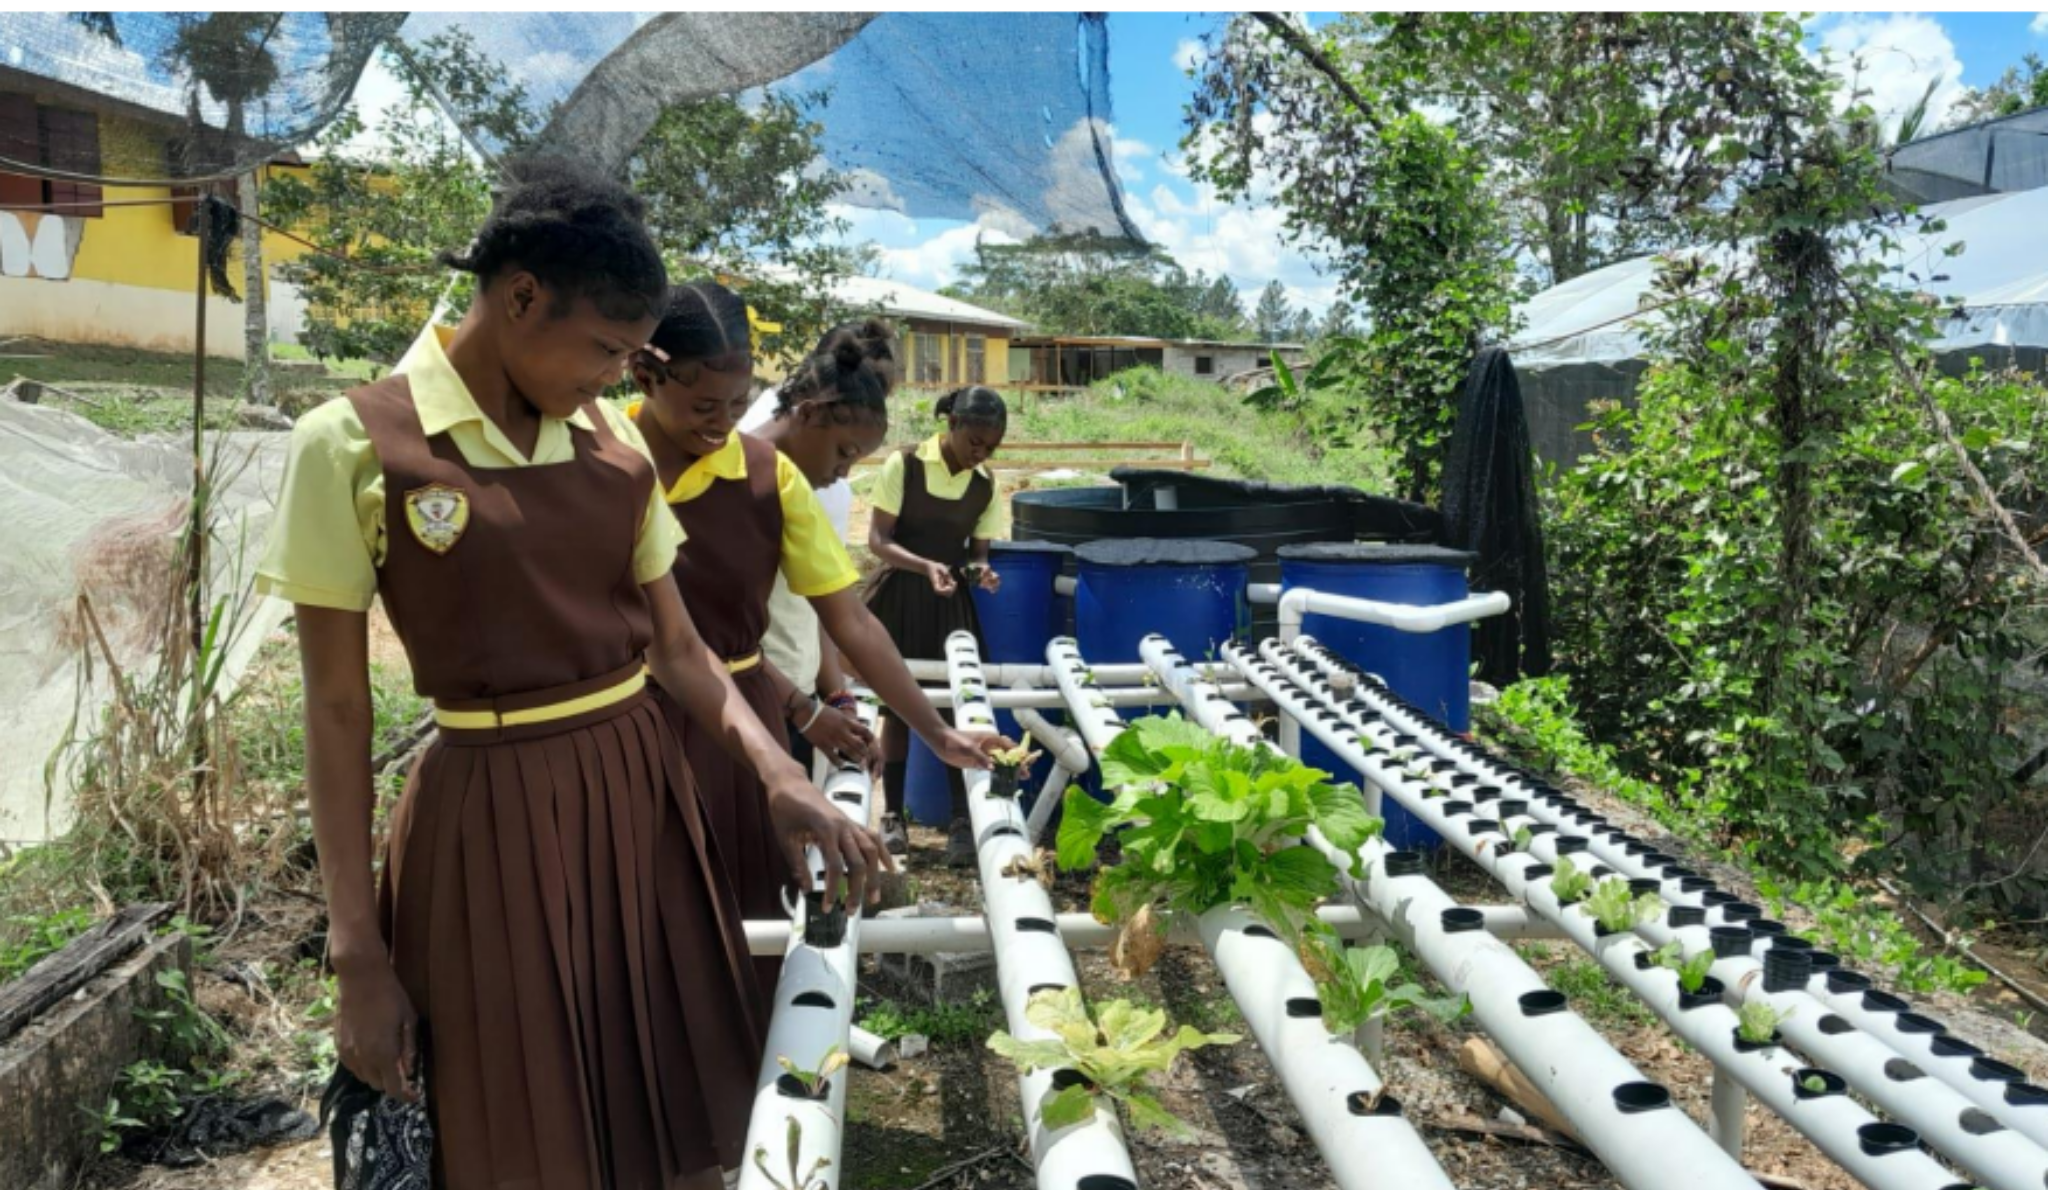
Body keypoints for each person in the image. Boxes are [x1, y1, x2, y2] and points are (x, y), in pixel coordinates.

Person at [257, 161, 885, 1190]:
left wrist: (777, 769)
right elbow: (335, 709)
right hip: (487, 813)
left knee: (659, 1094)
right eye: (602, 349)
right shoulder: (354, 443)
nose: (612, 379)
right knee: (514, 1110)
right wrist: (356, 950)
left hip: (638, 793)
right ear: (518, 299)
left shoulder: (611, 451)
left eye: (630, 356)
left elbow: (677, 649)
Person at [629, 284, 1007, 985]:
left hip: (739, 726)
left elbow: (848, 619)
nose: (721, 423)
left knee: (734, 918)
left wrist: (937, 733)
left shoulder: (774, 482)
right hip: (631, 723)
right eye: (707, 406)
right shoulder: (611, 458)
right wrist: (806, 707)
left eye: (736, 408)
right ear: (643, 376)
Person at [738, 320, 894, 782]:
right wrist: (804, 709)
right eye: (845, 453)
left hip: (796, 692)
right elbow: (719, 640)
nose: (845, 472)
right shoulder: (751, 478)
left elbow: (823, 599)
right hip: (753, 702)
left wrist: (835, 695)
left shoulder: (807, 476)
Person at [866, 385, 1010, 866]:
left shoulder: (986, 485)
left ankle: (961, 824)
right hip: (901, 595)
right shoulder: (904, 465)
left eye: (991, 447)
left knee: (955, 708)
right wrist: (925, 565)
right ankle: (893, 820)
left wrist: (980, 573)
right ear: (951, 425)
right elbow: (878, 541)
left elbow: (976, 556)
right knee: (898, 707)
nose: (981, 453)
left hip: (949, 601)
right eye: (975, 442)